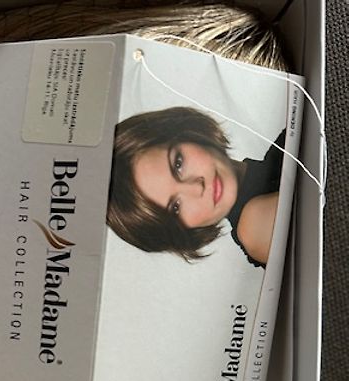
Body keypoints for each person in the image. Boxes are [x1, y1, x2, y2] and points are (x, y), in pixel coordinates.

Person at [106, 107, 285, 268]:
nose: (197, 187)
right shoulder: (255, 229)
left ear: (188, 133)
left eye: (178, 165)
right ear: (183, 232)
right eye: (176, 207)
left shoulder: (284, 146)